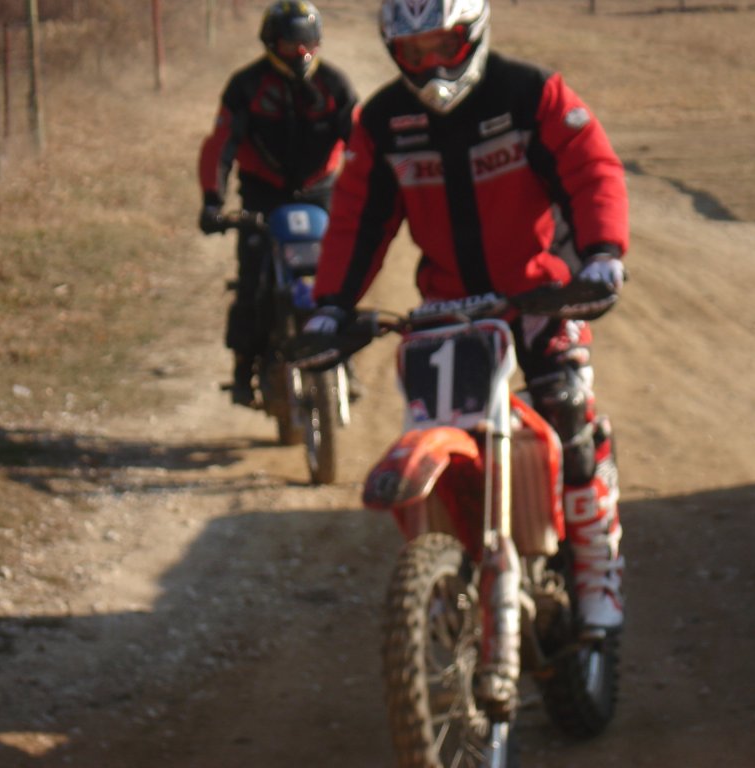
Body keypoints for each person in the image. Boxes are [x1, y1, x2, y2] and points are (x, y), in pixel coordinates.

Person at [304, 0, 629, 632]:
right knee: (436, 423)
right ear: (394, 53)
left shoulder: (532, 94)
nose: (430, 65)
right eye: (413, 52)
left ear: (473, 35)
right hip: (447, 310)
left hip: (538, 296)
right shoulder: (383, 121)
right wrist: (331, 308)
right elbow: (357, 218)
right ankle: (452, 561)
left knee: (567, 411)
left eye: (442, 47)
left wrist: (601, 255)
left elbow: (591, 169)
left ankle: (598, 565)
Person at [197, 0, 358, 406]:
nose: (300, 53)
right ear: (271, 44)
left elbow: (362, 146)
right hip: (263, 197)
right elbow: (221, 145)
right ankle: (243, 368)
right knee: (252, 282)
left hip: (321, 194)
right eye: (290, 45)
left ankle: (346, 360)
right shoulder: (246, 86)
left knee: (338, 280)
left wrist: (374, 195)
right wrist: (212, 200)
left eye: (308, 44)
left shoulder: (335, 86)